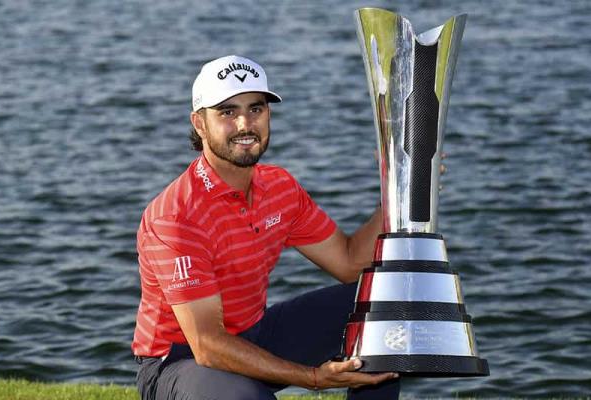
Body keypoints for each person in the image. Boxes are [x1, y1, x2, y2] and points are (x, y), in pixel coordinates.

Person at [132, 55, 401, 400]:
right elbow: (207, 345)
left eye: (255, 109)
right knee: (244, 397)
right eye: (227, 112)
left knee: (385, 302)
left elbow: (349, 263)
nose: (245, 124)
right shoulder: (176, 215)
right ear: (199, 124)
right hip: (177, 363)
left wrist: (398, 188)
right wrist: (314, 377)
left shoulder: (279, 186)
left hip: (254, 333)